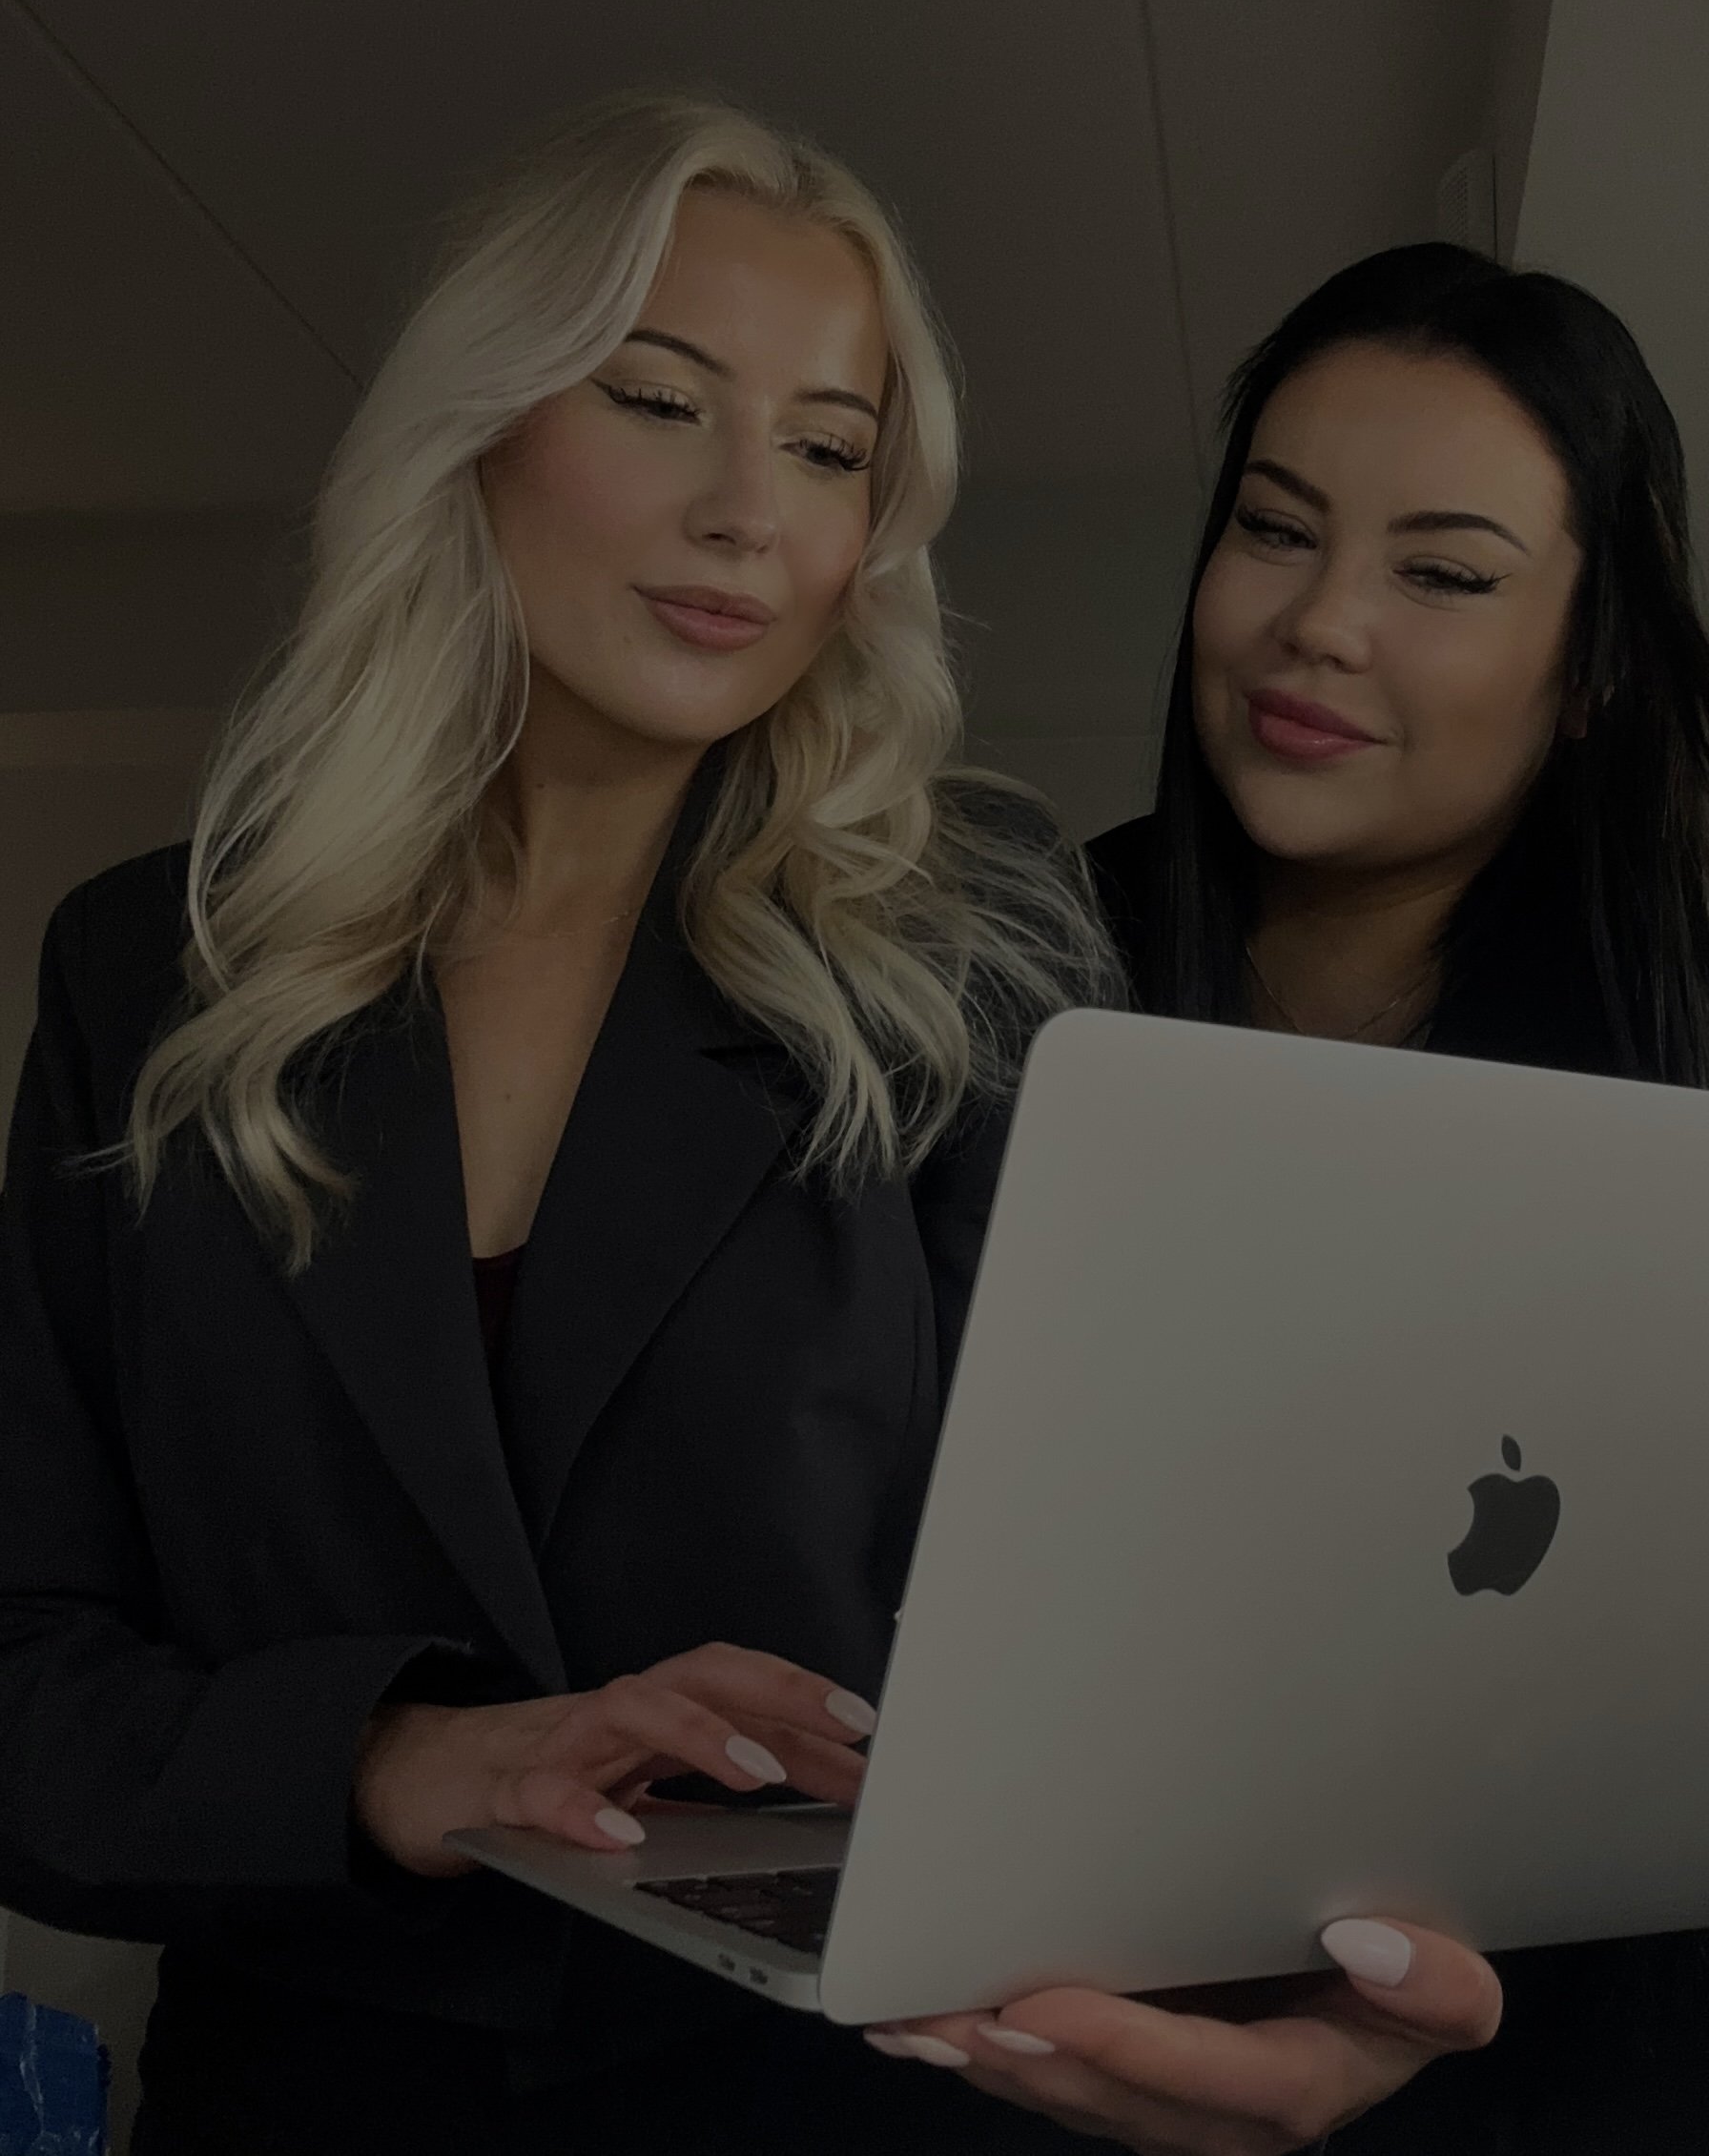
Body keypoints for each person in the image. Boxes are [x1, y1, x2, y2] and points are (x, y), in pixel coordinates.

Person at [0, 104, 1498, 2156]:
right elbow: (26, 1678)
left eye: (825, 447)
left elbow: (1146, 1613)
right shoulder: (145, 967)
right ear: (477, 425)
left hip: (852, 2108)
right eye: (659, 400)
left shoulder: (971, 936)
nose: (749, 514)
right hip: (314, 2099)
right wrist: (386, 1755)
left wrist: (1276, 1955)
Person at [1053, 241, 1709, 2152]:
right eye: (1272, 530)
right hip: (1144, 2032)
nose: (1318, 624)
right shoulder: (1024, 979)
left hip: (1685, 2056)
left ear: (1585, 674)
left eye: (1440, 573)